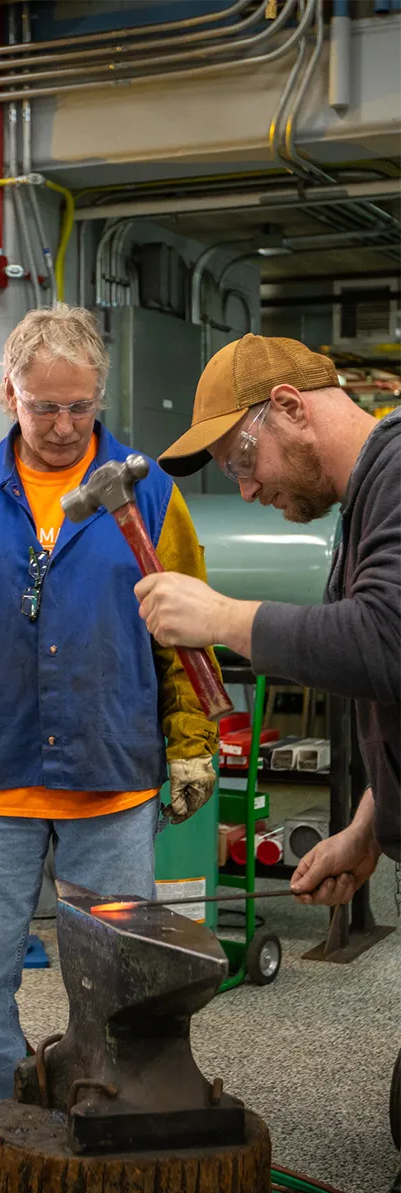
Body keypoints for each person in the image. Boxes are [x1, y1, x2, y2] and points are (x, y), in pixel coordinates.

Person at [0, 304, 219, 1193]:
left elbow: (187, 635)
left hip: (109, 776)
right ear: (6, 393)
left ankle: (102, 1136)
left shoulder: (151, 495)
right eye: (42, 407)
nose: (63, 428)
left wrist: (191, 745)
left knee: (117, 992)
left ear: (100, 398)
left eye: (81, 408)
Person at [135, 332, 401, 899]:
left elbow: (386, 641)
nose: (248, 489)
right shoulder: (364, 502)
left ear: (289, 406)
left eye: (242, 460)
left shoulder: (398, 475)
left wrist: (223, 618)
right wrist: (368, 830)